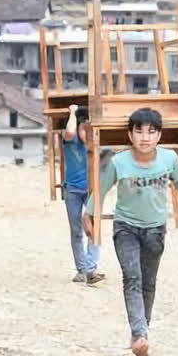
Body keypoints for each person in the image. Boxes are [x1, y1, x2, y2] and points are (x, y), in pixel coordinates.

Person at [83, 108, 178, 356]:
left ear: (159, 135)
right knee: (132, 278)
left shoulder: (169, 159)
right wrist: (88, 214)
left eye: (151, 132)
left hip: (155, 229)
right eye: (139, 131)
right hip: (126, 228)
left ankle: (143, 331)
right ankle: (138, 334)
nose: (145, 137)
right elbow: (101, 189)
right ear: (130, 135)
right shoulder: (119, 162)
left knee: (148, 282)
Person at [62, 105, 104, 285]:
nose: (86, 133)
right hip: (72, 189)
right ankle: (82, 270)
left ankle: (90, 268)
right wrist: (73, 112)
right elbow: (70, 132)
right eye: (83, 129)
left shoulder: (96, 142)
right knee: (76, 231)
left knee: (94, 227)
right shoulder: (70, 140)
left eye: (90, 129)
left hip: (92, 189)